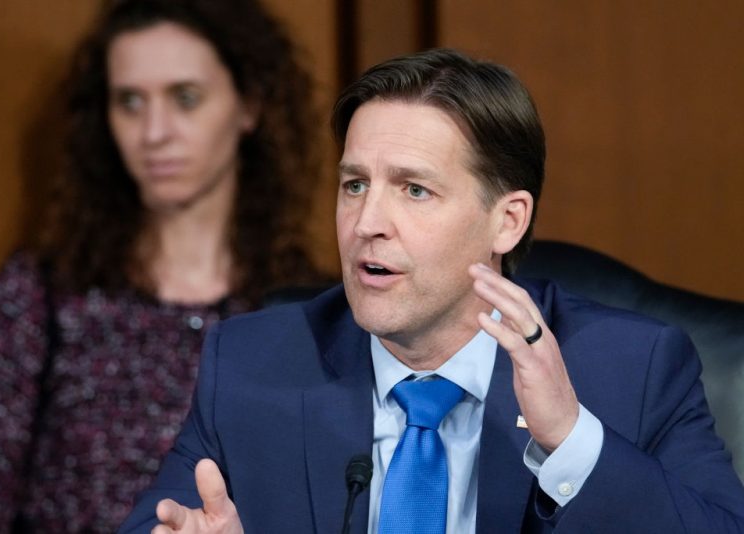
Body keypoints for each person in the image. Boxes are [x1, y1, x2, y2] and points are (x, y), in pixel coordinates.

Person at [120, 49, 744, 533]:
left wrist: (572, 442)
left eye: (414, 190)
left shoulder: (632, 370)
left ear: (508, 220)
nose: (366, 224)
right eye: (355, 185)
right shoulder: (254, 363)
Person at [0, 0, 324, 531]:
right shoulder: (40, 297)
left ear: (249, 106)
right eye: (129, 102)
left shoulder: (311, 314)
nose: (153, 132)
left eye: (185, 99)